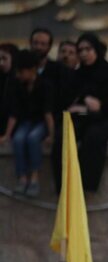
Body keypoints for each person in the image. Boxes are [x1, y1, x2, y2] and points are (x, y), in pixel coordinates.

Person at [52, 33, 108, 192]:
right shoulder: (77, 75)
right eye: (81, 50)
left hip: (106, 119)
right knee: (64, 136)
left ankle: (86, 186)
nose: (84, 53)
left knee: (94, 137)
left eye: (88, 49)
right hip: (82, 118)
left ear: (96, 50)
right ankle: (64, 185)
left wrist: (100, 106)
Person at [1, 50, 54, 198]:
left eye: (21, 72)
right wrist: (7, 135)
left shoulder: (45, 86)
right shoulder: (18, 86)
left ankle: (35, 178)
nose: (18, 75)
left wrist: (51, 134)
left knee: (32, 138)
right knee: (18, 139)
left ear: (31, 70)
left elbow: (47, 113)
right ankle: (22, 177)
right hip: (26, 122)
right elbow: (14, 113)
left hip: (40, 122)